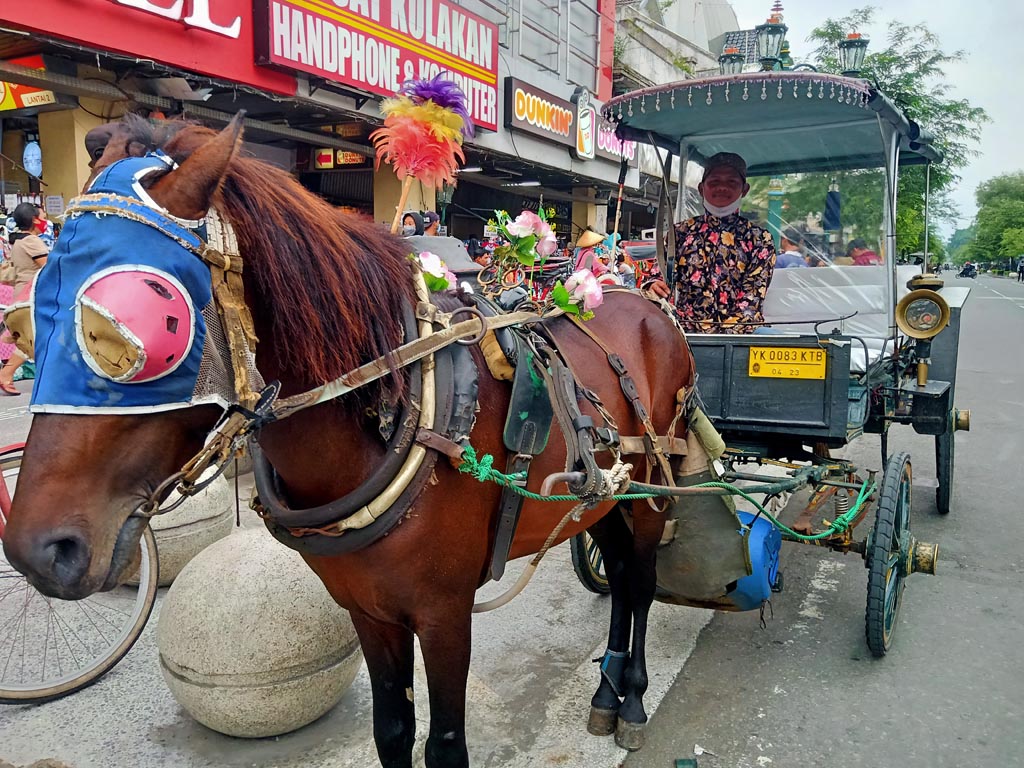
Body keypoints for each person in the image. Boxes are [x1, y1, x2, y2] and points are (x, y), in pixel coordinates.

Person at [647, 152, 776, 333]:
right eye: (714, 182)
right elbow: (657, 277)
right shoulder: (680, 233)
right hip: (685, 334)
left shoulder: (760, 239)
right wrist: (654, 285)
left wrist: (721, 341)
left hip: (741, 336)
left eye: (731, 182)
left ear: (744, 189)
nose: (722, 188)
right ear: (701, 189)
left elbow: (752, 297)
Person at [0, 203, 48, 395]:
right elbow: (49, 267)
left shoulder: (18, 241)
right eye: (43, 216)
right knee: (35, 338)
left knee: (34, 338)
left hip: (24, 294)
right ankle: (6, 373)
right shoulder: (32, 242)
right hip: (34, 295)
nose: (46, 221)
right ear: (34, 220)